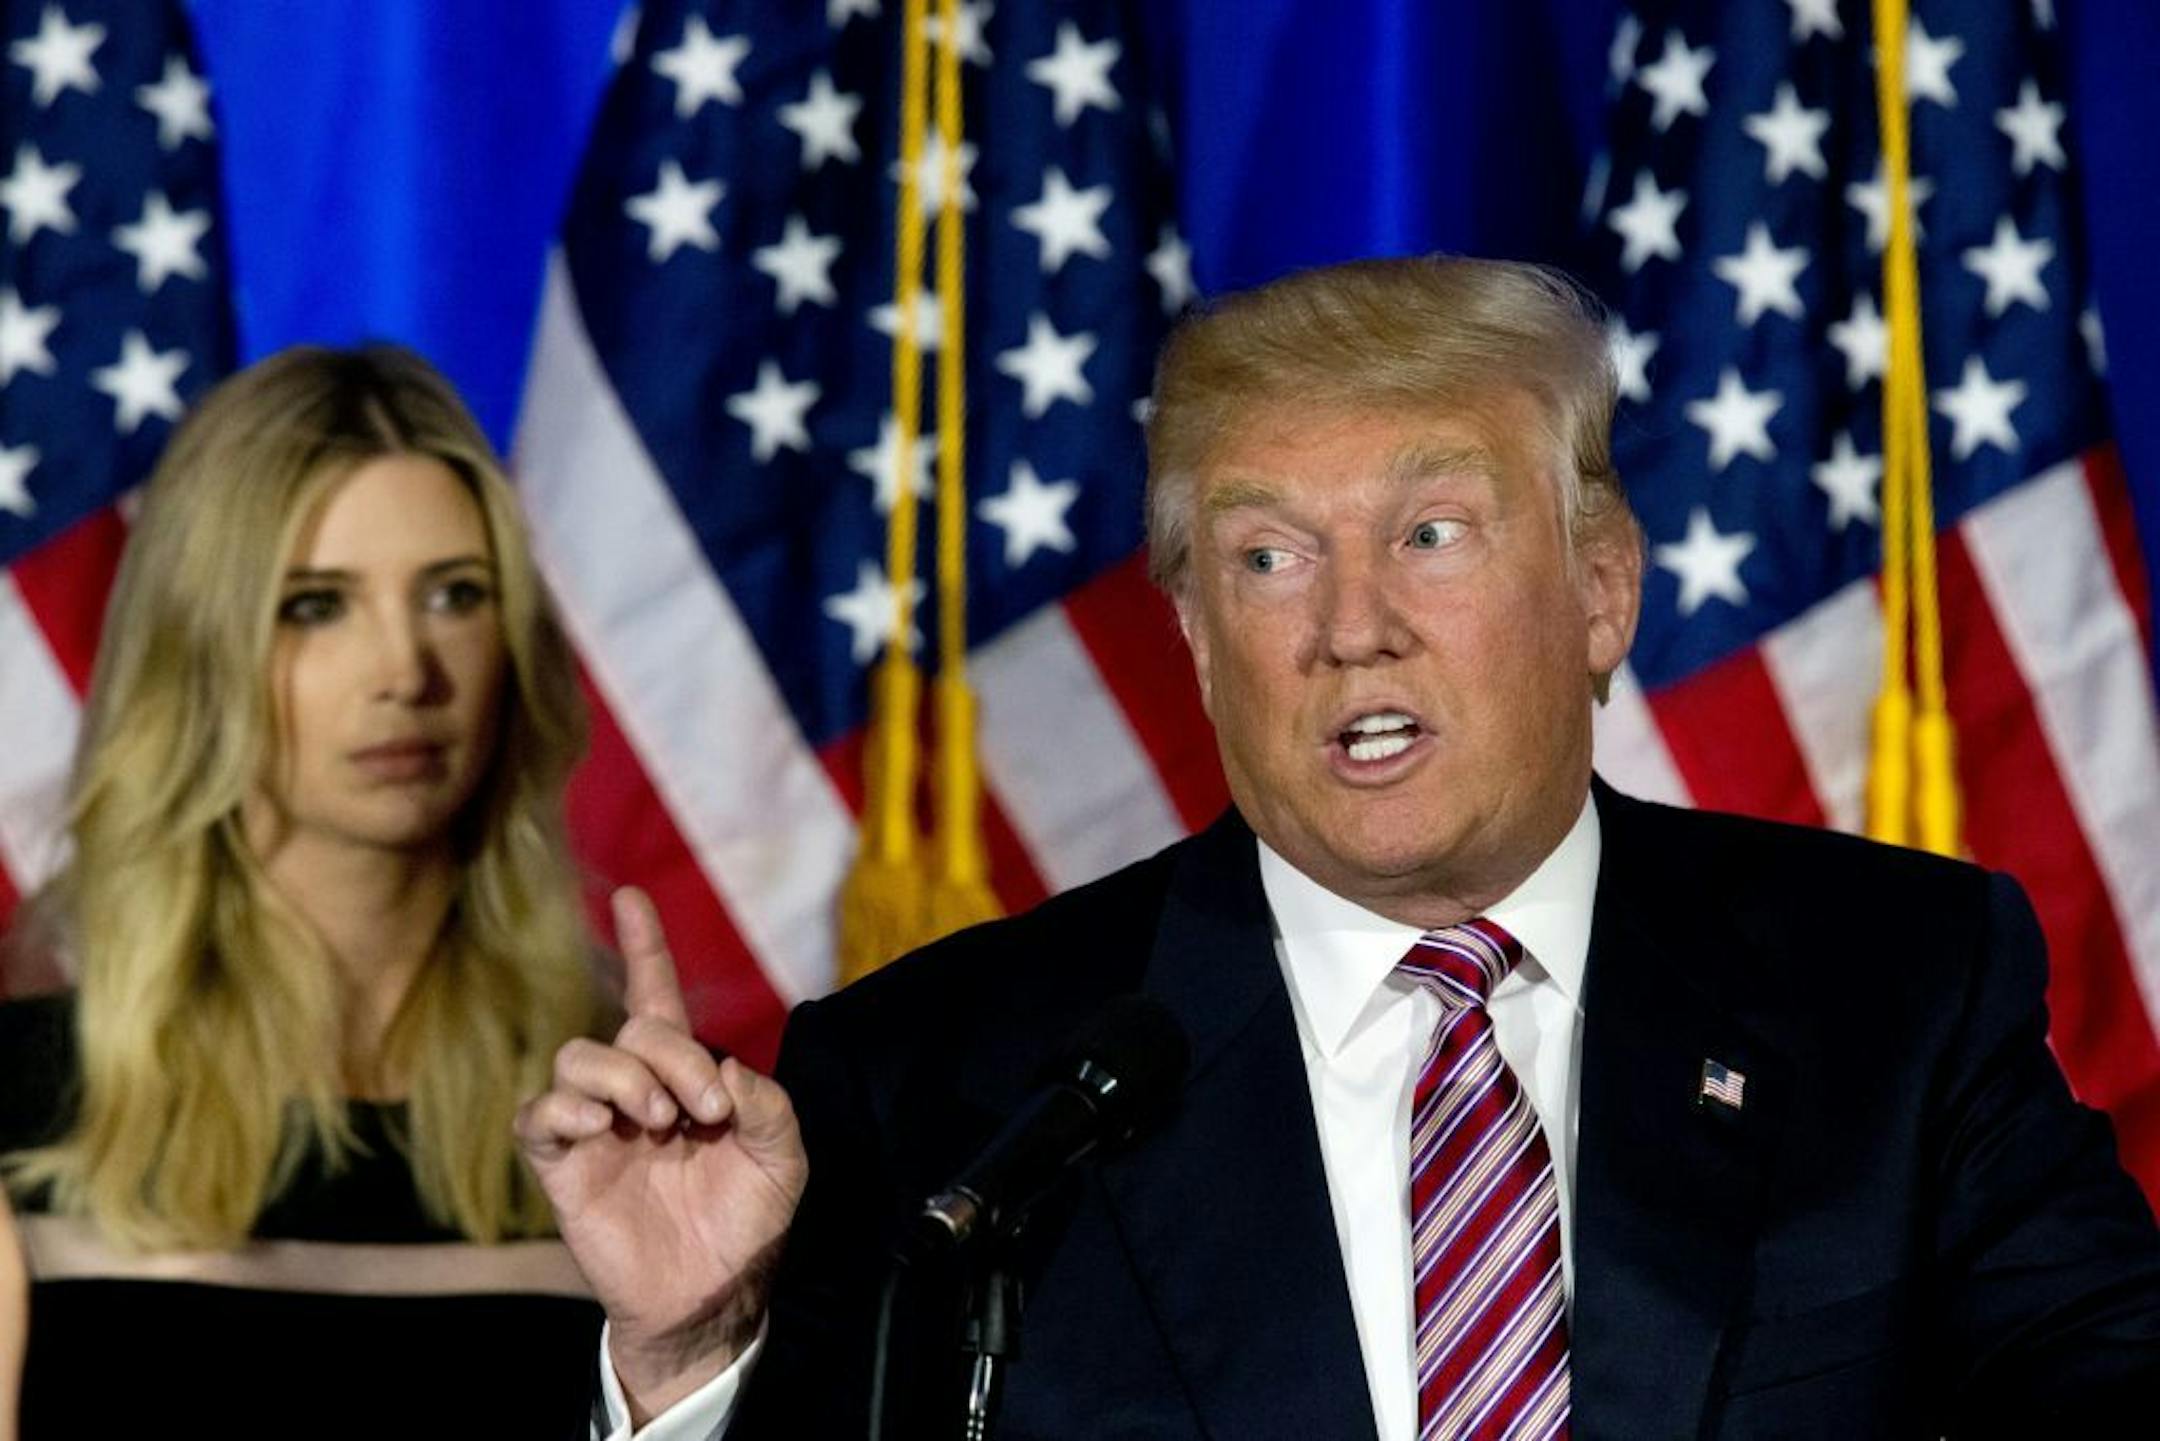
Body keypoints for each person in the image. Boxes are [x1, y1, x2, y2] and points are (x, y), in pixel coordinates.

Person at [520, 257, 2160, 1438]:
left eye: (1431, 534)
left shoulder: (1895, 989)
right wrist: (693, 1365)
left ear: (1603, 590)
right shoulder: (953, 1080)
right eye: (1267, 557)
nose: (1351, 628)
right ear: (1195, 636)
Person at [0, 346, 611, 1437]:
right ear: (202, 651)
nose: (405, 671)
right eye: (316, 605)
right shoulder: (20, 1109)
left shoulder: (622, 1125)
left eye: (455, 595)